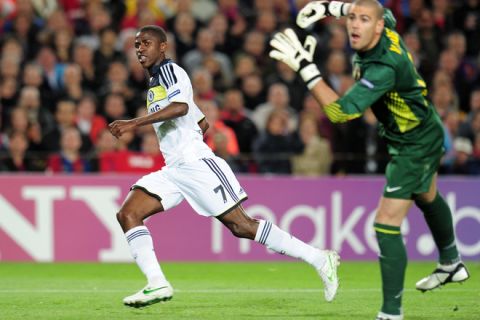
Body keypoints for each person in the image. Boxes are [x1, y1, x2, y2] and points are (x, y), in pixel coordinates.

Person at [108, 25, 339, 308]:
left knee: (242, 226)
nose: (140, 48)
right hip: (174, 169)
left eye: (146, 43)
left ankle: (319, 258)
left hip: (195, 163)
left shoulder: (170, 71)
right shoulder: (157, 82)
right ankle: (157, 283)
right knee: (128, 213)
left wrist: (133, 123)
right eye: (136, 44)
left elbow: (180, 107)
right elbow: (201, 121)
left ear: (163, 46)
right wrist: (186, 132)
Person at [269, 1, 470, 319]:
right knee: (427, 195)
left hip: (413, 145)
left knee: (385, 225)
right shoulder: (385, 27)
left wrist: (306, 68)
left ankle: (391, 313)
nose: (355, 25)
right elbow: (374, 11)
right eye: (352, 19)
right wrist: (329, 7)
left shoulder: (382, 68)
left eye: (364, 20)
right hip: (423, 129)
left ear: (378, 27)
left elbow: (340, 112)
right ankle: (451, 262)